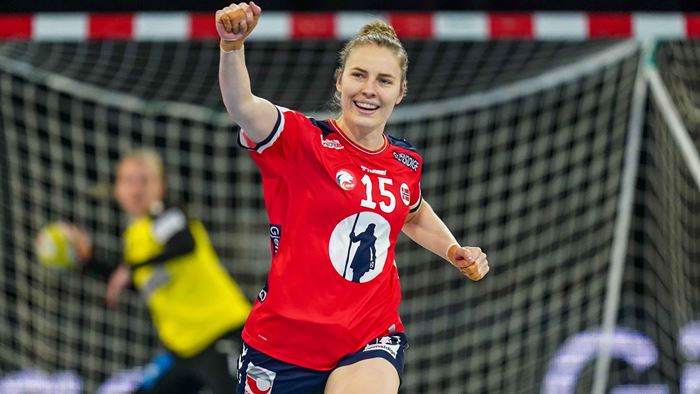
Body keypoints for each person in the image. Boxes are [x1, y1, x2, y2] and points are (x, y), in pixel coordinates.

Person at [216, 3, 490, 393]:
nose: (369, 89)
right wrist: (232, 47)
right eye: (359, 75)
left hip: (369, 336)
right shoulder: (300, 140)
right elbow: (242, 104)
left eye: (384, 80)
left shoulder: (404, 161)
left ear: (400, 92)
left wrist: (452, 249)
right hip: (283, 345)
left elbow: (412, 212)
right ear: (340, 81)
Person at [72, 149, 252, 394]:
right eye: (127, 181)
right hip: (183, 349)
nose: (136, 190)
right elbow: (139, 282)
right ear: (116, 190)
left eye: (144, 180)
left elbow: (183, 243)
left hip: (222, 334)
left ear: (161, 187)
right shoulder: (136, 237)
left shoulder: (166, 213)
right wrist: (89, 261)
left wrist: (131, 268)